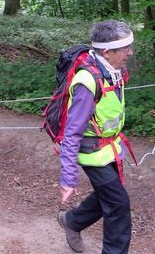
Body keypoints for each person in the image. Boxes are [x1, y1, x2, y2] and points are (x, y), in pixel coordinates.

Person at [57, 20, 135, 254]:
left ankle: (72, 221)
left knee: (110, 197)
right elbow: (71, 134)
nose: (130, 53)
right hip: (91, 152)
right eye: (126, 48)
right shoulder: (87, 82)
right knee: (119, 205)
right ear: (107, 52)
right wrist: (68, 179)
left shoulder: (113, 71)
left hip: (109, 148)